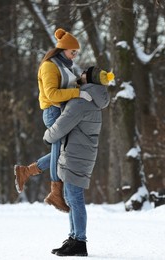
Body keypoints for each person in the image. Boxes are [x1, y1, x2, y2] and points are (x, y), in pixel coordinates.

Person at [14, 28, 92, 213]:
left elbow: (68, 85)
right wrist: (78, 93)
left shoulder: (65, 66)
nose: (74, 56)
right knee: (61, 151)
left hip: (64, 112)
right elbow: (52, 94)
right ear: (63, 49)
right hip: (53, 112)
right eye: (73, 52)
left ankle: (27, 172)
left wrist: (85, 82)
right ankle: (55, 192)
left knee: (64, 151)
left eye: (76, 53)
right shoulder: (49, 66)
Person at [43, 66, 114, 257]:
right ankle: (74, 238)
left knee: (75, 198)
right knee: (71, 197)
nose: (79, 75)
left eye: (83, 73)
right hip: (80, 152)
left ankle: (80, 242)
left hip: (76, 153)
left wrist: (48, 136)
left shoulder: (83, 100)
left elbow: (63, 123)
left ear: (89, 78)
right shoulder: (92, 98)